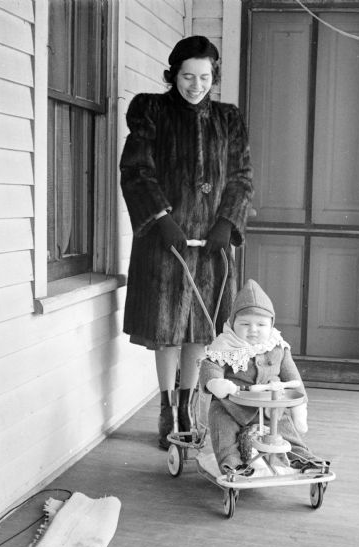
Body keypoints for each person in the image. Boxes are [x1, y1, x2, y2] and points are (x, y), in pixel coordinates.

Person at [119, 36, 253, 449]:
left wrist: (225, 224)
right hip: (167, 239)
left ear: (214, 78)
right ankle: (166, 409)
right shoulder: (152, 112)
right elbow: (137, 170)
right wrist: (162, 219)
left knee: (201, 327)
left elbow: (241, 177)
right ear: (173, 74)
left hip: (209, 244)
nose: (196, 85)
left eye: (204, 77)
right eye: (188, 76)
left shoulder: (228, 119)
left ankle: (188, 404)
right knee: (167, 330)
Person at [199, 279, 322, 475]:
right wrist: (215, 382)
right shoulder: (225, 345)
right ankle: (233, 464)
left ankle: (303, 458)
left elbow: (293, 378)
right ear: (233, 323)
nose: (253, 330)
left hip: (270, 410)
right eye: (245, 323)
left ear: (271, 324)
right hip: (231, 407)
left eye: (261, 324)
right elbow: (210, 365)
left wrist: (299, 406)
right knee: (223, 428)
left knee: (286, 432)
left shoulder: (277, 347)